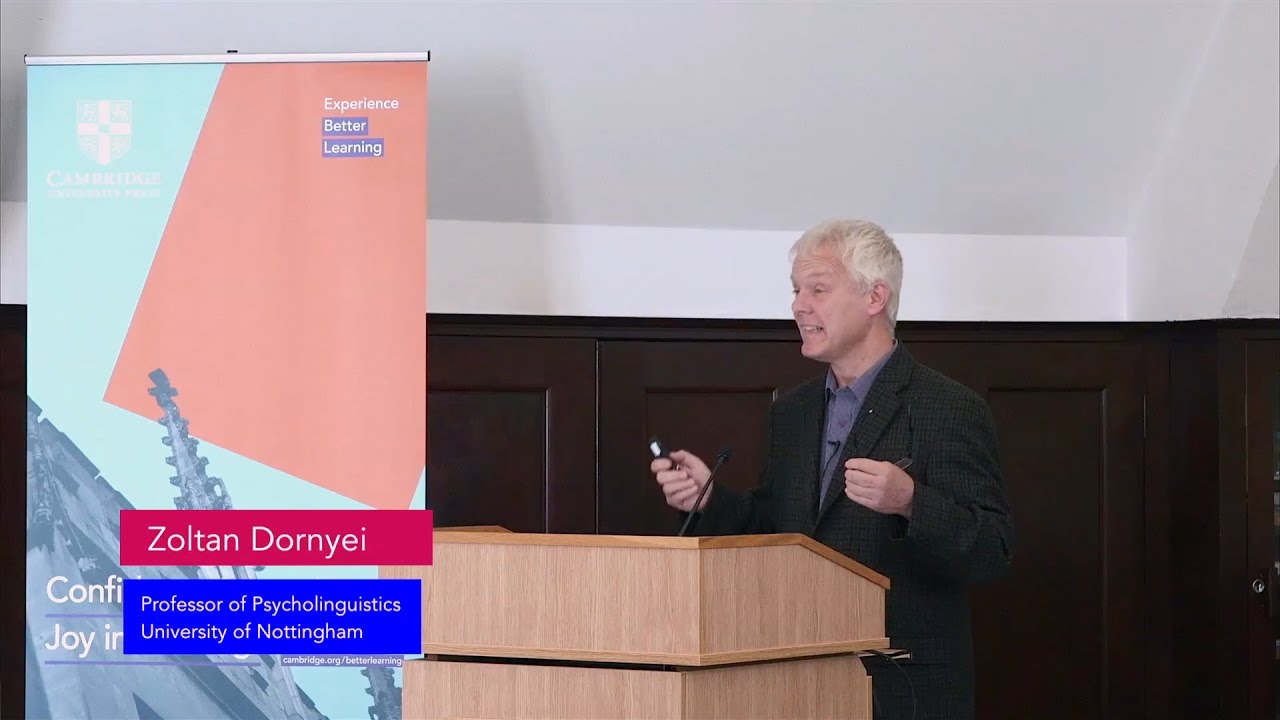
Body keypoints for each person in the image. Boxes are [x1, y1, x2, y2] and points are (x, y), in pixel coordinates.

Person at [650, 219, 1014, 720]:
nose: (799, 306)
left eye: (817, 289)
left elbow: (992, 550)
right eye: (796, 291)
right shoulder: (793, 411)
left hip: (906, 692)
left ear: (875, 297)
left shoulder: (948, 407)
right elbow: (777, 528)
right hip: (798, 683)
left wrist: (911, 503)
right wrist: (709, 500)